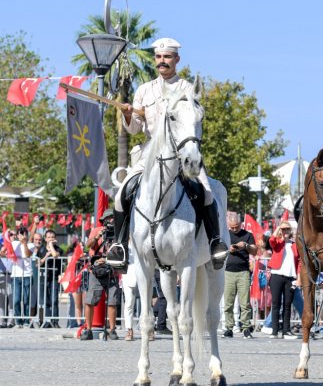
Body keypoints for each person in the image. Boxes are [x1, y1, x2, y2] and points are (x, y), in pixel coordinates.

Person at [109, 37, 228, 270]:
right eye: (159, 57)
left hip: (182, 154)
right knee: (121, 193)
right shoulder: (144, 91)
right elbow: (134, 129)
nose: (162, 61)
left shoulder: (186, 88)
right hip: (149, 154)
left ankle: (215, 242)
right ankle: (120, 245)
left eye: (167, 57)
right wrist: (127, 114)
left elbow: (194, 118)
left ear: (177, 59)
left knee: (206, 192)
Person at [82, 210, 121, 340]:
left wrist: (108, 259)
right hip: (96, 271)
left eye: (112, 218)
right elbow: (88, 246)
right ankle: (88, 329)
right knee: (90, 301)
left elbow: (121, 250)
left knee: (112, 302)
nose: (110, 220)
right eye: (108, 218)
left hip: (112, 270)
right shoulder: (97, 230)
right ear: (103, 220)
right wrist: (98, 236)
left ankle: (112, 329)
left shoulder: (118, 232)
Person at [223, 212, 257, 339]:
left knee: (245, 303)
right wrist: (229, 250)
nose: (234, 229)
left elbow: (255, 250)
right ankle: (228, 328)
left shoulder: (247, 235)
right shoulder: (225, 235)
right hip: (228, 272)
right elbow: (219, 250)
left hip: (243, 272)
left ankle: (246, 328)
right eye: (231, 227)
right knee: (228, 303)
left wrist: (246, 246)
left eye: (236, 227)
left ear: (241, 224)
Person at [267, 220, 300, 339]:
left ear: (290, 231)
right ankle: (275, 331)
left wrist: (299, 277)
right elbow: (271, 240)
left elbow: (300, 261)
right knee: (276, 304)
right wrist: (278, 228)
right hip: (277, 275)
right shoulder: (277, 243)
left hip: (290, 277)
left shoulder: (295, 244)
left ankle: (286, 331)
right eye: (283, 229)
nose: (285, 231)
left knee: (287, 304)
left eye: (287, 229)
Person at [37, 229, 63, 328]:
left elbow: (55, 255)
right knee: (46, 301)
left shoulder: (58, 248)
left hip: (54, 278)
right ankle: (47, 321)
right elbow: (38, 263)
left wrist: (51, 246)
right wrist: (46, 256)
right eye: (49, 237)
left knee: (54, 300)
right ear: (45, 238)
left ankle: (55, 322)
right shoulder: (41, 250)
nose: (51, 239)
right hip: (44, 277)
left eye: (52, 237)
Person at [9, 227, 33, 327]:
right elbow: (3, 252)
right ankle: (18, 321)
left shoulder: (30, 245)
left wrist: (24, 243)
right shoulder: (13, 243)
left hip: (27, 275)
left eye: (23, 234)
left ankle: (26, 321)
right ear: (17, 235)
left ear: (26, 235)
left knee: (26, 300)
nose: (21, 236)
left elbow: (27, 254)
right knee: (16, 300)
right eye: (19, 234)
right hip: (15, 275)